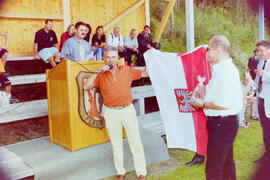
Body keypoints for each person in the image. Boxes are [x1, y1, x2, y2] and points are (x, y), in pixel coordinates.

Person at [83, 47, 148, 180]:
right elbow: (86, 86)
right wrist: (99, 71)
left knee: (135, 141)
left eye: (113, 57)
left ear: (117, 58)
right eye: (107, 57)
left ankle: (141, 172)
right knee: (116, 143)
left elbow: (144, 74)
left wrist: (151, 57)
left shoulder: (126, 70)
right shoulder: (101, 75)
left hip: (127, 110)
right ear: (104, 59)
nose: (110, 60)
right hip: (111, 112)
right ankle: (120, 171)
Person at [193, 35, 242, 180]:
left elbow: (223, 103)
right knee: (226, 163)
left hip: (222, 123)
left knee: (214, 168)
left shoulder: (225, 72)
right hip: (223, 123)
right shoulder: (222, 70)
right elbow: (218, 95)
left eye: (208, 49)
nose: (206, 52)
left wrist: (202, 104)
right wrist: (204, 92)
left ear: (218, 50)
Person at [254, 40, 270, 164]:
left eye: (261, 50)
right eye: (258, 51)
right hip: (261, 99)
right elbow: (259, 79)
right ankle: (267, 154)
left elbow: (265, 76)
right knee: (265, 129)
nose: (259, 53)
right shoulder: (261, 62)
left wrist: (265, 74)